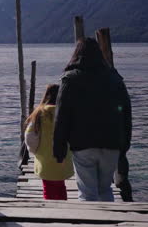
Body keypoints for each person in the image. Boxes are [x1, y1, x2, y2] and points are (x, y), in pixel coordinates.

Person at [53, 37, 132, 202]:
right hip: (112, 143)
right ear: (100, 55)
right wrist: (123, 146)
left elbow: (61, 117)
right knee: (105, 190)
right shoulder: (115, 79)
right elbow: (126, 113)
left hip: (83, 145)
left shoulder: (70, 80)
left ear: (76, 54)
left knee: (87, 193)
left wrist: (59, 150)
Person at [24, 83, 75, 200]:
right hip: (63, 158)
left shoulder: (38, 114)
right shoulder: (66, 113)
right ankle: (63, 211)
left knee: (48, 188)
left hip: (44, 159)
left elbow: (29, 136)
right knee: (61, 187)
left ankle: (51, 212)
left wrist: (34, 151)